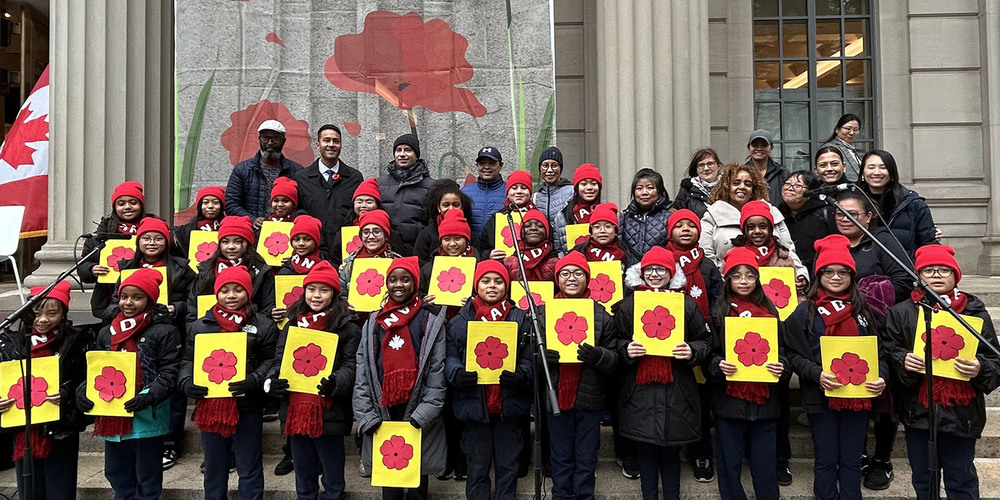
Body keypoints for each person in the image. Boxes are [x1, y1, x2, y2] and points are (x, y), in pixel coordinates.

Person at [883, 245, 1000, 499]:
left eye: (944, 270)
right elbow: (890, 351)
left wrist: (980, 368)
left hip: (962, 411)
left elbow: (994, 359)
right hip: (919, 410)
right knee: (924, 480)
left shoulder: (973, 310)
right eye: (929, 270)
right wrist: (904, 360)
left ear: (955, 275)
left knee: (962, 479)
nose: (936, 275)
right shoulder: (901, 312)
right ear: (918, 276)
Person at [785, 235, 887, 500]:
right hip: (821, 399)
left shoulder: (863, 311)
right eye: (828, 271)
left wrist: (882, 378)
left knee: (853, 461)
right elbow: (793, 354)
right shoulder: (804, 312)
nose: (836, 277)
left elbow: (880, 354)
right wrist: (816, 374)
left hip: (858, 397)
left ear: (852, 276)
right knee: (826, 460)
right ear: (819, 274)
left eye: (843, 272)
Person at [614, 246, 712, 499]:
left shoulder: (686, 305)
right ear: (641, 272)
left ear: (671, 274)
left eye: (661, 269)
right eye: (649, 269)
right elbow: (614, 341)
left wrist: (691, 351)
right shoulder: (628, 306)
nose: (655, 274)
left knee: (671, 454)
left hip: (677, 388)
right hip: (639, 390)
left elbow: (704, 341)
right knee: (645, 453)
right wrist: (626, 349)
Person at [76, 268, 181, 500]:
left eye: (137, 297)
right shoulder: (106, 332)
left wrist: (148, 395)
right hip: (112, 415)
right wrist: (83, 390)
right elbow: (96, 370)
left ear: (150, 300)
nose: (129, 302)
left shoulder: (164, 331)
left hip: (148, 415)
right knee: (116, 472)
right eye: (124, 296)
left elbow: (169, 373)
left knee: (147, 474)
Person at [104, 217, 196, 469]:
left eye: (158, 238)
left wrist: (174, 309)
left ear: (167, 242)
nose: (152, 242)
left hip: (168, 332)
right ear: (138, 241)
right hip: (130, 333)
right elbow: (111, 303)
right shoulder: (125, 267)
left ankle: (170, 442)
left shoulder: (182, 267)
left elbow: (195, 301)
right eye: (146, 238)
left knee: (170, 388)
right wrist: (121, 311)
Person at [354, 257, 448, 499]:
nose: (399, 285)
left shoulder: (430, 320)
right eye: (393, 279)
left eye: (405, 279)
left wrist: (423, 415)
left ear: (415, 283)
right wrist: (366, 415)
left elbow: (436, 372)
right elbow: (363, 371)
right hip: (383, 407)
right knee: (390, 479)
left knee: (417, 477)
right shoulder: (373, 322)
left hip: (417, 409)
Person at [181, 265, 277, 500]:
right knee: (214, 467)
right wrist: (187, 382)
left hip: (247, 405)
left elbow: (272, 359)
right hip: (210, 407)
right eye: (225, 290)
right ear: (216, 293)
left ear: (248, 293)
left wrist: (254, 379)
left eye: (238, 290)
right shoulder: (198, 326)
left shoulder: (262, 325)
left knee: (249, 465)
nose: (231, 296)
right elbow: (186, 360)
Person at [267, 261, 360, 499]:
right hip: (296, 409)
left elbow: (351, 365)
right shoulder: (292, 324)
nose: (316, 296)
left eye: (324, 290)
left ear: (335, 294)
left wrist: (335, 382)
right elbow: (279, 360)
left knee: (332, 472)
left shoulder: (348, 328)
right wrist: (273, 381)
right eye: (311, 289)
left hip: (330, 409)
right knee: (303, 469)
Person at [445, 260, 533, 500]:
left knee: (508, 464)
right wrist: (456, 374)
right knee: (477, 464)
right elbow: (450, 356)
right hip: (474, 405)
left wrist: (523, 374)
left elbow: (529, 358)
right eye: (485, 281)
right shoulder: (459, 322)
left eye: (498, 281)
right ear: (476, 286)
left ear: (507, 286)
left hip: (509, 405)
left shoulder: (521, 319)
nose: (492, 286)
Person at [707, 247, 786, 500]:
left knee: (765, 467)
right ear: (728, 279)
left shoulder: (771, 312)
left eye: (750, 275)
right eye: (737, 275)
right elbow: (709, 354)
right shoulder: (719, 313)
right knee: (729, 466)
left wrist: (781, 367)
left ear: (757, 279)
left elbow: (783, 353)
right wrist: (719, 365)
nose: (743, 281)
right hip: (729, 403)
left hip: (765, 403)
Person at [0, 282, 91, 500]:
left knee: (60, 488)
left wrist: (67, 393)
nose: (43, 320)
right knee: (29, 490)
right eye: (37, 312)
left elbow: (85, 379)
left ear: (63, 313)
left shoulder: (76, 341)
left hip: (61, 426)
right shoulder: (13, 343)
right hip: (23, 426)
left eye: (52, 313)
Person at [541, 251, 621, 500]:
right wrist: (544, 357)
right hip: (556, 397)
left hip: (589, 399)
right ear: (557, 279)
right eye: (565, 273)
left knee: (586, 458)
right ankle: (561, 496)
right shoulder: (543, 313)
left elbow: (615, 358)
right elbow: (528, 354)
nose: (571, 278)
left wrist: (597, 355)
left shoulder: (602, 315)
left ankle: (585, 496)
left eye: (578, 273)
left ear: (588, 278)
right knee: (560, 457)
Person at [663, 209, 723, 482]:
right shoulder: (660, 263)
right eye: (679, 226)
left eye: (691, 226)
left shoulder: (707, 265)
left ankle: (701, 453)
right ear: (669, 231)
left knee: (699, 401)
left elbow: (717, 302)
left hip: (699, 344)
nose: (685, 230)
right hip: (665, 343)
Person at [700, 163, 798, 271]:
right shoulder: (713, 215)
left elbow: (788, 250)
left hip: (774, 281)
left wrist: (801, 275)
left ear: (753, 189)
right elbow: (707, 255)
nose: (742, 187)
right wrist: (720, 279)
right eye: (736, 183)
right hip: (730, 281)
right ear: (727, 186)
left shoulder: (771, 211)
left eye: (748, 184)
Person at [293, 124, 364, 264]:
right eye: (326, 140)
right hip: (311, 252)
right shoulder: (302, 178)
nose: (331, 145)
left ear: (341, 146)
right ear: (318, 145)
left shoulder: (354, 177)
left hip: (345, 252)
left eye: (336, 141)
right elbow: (296, 212)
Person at [187, 215, 276, 325]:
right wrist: (196, 328)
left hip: (249, 332)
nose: (231, 247)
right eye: (225, 242)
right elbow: (193, 307)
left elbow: (267, 308)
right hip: (209, 331)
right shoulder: (206, 269)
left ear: (248, 244)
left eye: (237, 242)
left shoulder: (261, 270)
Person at [78, 180, 147, 321]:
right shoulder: (100, 235)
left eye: (133, 202)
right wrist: (91, 269)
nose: (127, 207)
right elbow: (83, 266)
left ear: (141, 205)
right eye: (121, 204)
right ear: (115, 207)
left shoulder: (154, 231)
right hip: (108, 301)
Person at [833, 191, 912, 305]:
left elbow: (904, 280)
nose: (845, 219)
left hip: (876, 311)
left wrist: (869, 298)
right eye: (840, 214)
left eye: (852, 214)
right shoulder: (830, 244)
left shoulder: (882, 240)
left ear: (868, 216)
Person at [857, 150, 937, 258]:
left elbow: (928, 243)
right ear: (863, 172)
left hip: (903, 269)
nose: (877, 172)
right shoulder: (851, 199)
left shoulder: (912, 203)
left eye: (883, 167)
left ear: (891, 171)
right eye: (871, 167)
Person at [225, 119, 305, 222]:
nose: (270, 143)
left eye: (275, 139)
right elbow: (231, 204)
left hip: (286, 231)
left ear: (283, 141)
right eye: (265, 138)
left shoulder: (297, 171)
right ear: (259, 139)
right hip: (250, 232)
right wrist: (252, 220)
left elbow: (304, 205)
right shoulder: (242, 170)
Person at [377, 133, 436, 256]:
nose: (402, 154)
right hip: (385, 252)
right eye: (398, 150)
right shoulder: (379, 183)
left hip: (417, 251)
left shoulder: (430, 186)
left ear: (416, 155)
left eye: (408, 150)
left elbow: (433, 223)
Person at [734, 200, 808, 290]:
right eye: (751, 227)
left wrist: (801, 279)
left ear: (770, 229)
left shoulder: (784, 255)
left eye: (763, 227)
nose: (757, 231)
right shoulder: (735, 255)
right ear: (744, 231)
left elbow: (799, 271)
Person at [777, 171, 837, 273]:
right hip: (787, 272)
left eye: (798, 185)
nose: (790, 188)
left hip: (819, 273)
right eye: (787, 184)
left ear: (810, 192)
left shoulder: (824, 213)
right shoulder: (777, 214)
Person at [338, 209, 402, 301]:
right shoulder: (349, 264)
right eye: (366, 232)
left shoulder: (397, 262)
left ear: (386, 236)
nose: (371, 236)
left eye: (376, 231)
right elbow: (342, 295)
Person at [419, 209, 479, 297]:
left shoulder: (478, 267)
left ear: (467, 241)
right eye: (446, 239)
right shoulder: (429, 268)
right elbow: (419, 292)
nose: (452, 244)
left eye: (458, 238)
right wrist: (424, 302)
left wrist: (475, 302)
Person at [414, 180, 474, 268]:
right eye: (446, 205)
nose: (451, 208)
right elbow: (419, 262)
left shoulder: (468, 232)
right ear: (438, 207)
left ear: (462, 207)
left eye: (456, 205)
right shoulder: (426, 234)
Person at [479, 170, 536, 259]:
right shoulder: (497, 218)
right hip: (502, 266)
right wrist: (488, 254)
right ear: (507, 193)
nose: (519, 191)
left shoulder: (538, 216)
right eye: (514, 188)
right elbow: (482, 247)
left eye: (524, 188)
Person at [551, 164, 604, 255]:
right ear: (576, 188)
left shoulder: (613, 214)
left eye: (594, 183)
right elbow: (558, 250)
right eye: (584, 184)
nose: (589, 188)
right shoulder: (562, 217)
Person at [619, 168, 672, 257]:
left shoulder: (670, 216)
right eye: (639, 188)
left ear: (659, 191)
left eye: (650, 188)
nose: (644, 193)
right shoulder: (625, 216)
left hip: (658, 268)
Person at [570, 202, 640, 269]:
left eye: (608, 226)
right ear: (591, 232)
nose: (602, 231)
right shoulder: (577, 253)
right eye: (597, 227)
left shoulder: (628, 255)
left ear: (615, 231)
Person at [462, 146, 508, 238]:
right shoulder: (464, 193)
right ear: (477, 166)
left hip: (499, 249)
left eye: (492, 163)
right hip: (471, 249)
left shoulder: (510, 192)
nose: (486, 167)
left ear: (501, 165)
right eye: (482, 163)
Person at [502, 208, 559, 282]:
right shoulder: (508, 262)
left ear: (547, 233)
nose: (533, 228)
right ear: (521, 232)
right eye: (527, 226)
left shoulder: (557, 263)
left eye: (540, 226)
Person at [172, 185, 226, 258]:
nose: (210, 206)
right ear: (200, 206)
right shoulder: (184, 232)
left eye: (215, 203)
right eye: (205, 202)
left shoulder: (228, 228)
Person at [673, 148, 722, 218]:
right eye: (701, 165)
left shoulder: (728, 187)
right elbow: (678, 215)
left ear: (718, 166)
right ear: (696, 169)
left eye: (710, 164)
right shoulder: (687, 189)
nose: (706, 168)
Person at [533, 146, 573, 230]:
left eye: (554, 165)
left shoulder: (571, 192)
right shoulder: (536, 196)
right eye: (545, 165)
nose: (550, 170)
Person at [744, 129, 789, 203]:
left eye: (764, 145)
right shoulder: (742, 173)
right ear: (749, 148)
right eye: (755, 145)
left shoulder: (782, 172)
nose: (759, 148)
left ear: (771, 148)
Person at [819, 114, 863, 182]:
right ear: (837, 129)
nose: (851, 133)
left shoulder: (853, 148)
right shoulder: (830, 148)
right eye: (848, 129)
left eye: (855, 130)